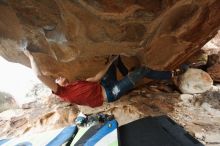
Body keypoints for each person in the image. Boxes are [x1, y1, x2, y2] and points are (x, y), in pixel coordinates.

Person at [24, 49, 179, 108]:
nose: (58, 77)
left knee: (111, 59)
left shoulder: (75, 84)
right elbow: (39, 75)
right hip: (111, 92)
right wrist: (31, 56)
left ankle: (122, 69)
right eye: (56, 79)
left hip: (105, 83)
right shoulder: (63, 93)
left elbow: (97, 76)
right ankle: (172, 74)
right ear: (56, 88)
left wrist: (111, 62)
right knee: (142, 71)